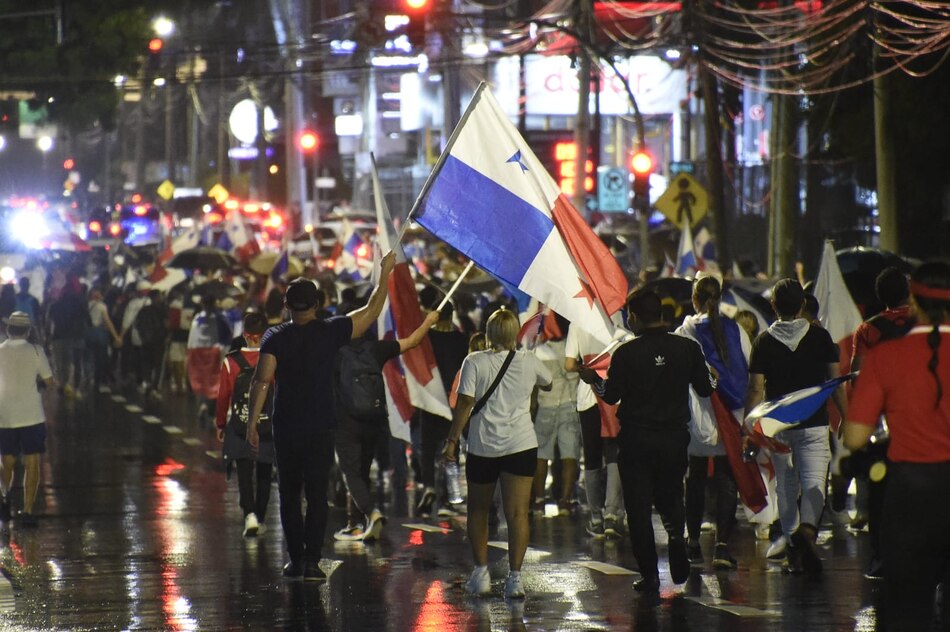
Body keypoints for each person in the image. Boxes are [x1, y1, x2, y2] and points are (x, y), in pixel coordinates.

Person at [245, 252, 396, 582]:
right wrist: (385, 273)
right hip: (322, 427)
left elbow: (261, 381)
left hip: (287, 427)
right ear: (317, 304)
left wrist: (252, 424)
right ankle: (313, 562)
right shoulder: (332, 331)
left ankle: (295, 559)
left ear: (287, 305)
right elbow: (372, 310)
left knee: (289, 495)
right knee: (316, 495)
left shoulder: (274, 337)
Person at [581, 291, 715, 592]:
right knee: (672, 495)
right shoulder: (687, 348)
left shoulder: (626, 353)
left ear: (634, 318)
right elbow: (706, 388)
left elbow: (611, 396)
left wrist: (594, 380)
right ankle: (677, 538)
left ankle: (650, 574)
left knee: (639, 508)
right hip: (674, 438)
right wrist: (716, 378)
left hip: (636, 440)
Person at [843, 260, 950, 630]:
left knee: (908, 608)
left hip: (909, 496)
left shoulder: (885, 356)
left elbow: (855, 436)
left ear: (914, 302)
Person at [442, 307, 552, 599]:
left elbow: (465, 403)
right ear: (514, 333)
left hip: (483, 446)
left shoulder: (474, 361)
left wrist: (452, 440)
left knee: (478, 510)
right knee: (517, 513)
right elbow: (549, 382)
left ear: (489, 333)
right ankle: (515, 579)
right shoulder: (528, 361)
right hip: (521, 445)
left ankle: (481, 574)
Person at [745, 278, 847, 574]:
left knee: (787, 487)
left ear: (773, 305)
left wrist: (748, 428)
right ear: (802, 305)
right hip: (814, 424)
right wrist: (847, 417)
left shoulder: (763, 341)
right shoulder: (820, 337)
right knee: (815, 481)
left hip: (778, 427)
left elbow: (755, 389)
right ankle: (808, 531)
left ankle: (792, 544)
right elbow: (835, 383)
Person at [333, 310, 440, 542]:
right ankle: (358, 523)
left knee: (351, 472)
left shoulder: (333, 352)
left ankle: (371, 513)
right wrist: (429, 321)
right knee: (362, 471)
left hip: (345, 423)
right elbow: (412, 341)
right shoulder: (375, 349)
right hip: (374, 419)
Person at [675, 276, 750, 569]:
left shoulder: (684, 332)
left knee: (695, 476)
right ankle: (721, 547)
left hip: (697, 415)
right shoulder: (736, 329)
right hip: (731, 413)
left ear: (694, 299)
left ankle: (693, 543)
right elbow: (749, 369)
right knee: (727, 478)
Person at [846, 266, 915, 580]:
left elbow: (858, 379)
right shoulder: (927, 323)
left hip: (884, 427)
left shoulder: (868, 329)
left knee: (881, 492)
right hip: (925, 421)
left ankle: (881, 557)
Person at [215, 312, 275, 538]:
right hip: (267, 423)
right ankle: (260, 516)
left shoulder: (231, 361)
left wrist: (221, 424)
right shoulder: (274, 359)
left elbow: (223, 396)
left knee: (244, 469)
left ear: (246, 335)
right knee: (265, 471)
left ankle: (249, 514)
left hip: (240, 424)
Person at [0, 312, 55, 527]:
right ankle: (28, 511)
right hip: (31, 415)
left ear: (8, 329)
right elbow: (49, 381)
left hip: (4, 415)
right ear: (28, 331)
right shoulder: (36, 351)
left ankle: (4, 496)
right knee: (32, 462)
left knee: (7, 460)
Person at [416, 302, 469, 518]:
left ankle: (428, 486)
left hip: (430, 398)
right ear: (452, 315)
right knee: (450, 447)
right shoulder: (461, 340)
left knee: (427, 447)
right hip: (453, 399)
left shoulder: (427, 338)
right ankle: (446, 498)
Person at [532, 314, 581, 516]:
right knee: (570, 455)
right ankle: (565, 501)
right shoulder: (574, 349)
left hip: (546, 405)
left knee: (541, 455)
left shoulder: (539, 350)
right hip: (570, 404)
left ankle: (539, 501)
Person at [187, 294, 232, 422]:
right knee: (215, 381)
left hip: (197, 352)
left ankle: (203, 404)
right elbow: (227, 336)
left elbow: (192, 337)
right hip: (214, 352)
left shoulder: (198, 318)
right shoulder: (220, 317)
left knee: (202, 380)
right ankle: (210, 409)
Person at [47, 275, 89, 398]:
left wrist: (47, 336)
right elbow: (87, 319)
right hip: (77, 336)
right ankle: (75, 387)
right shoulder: (81, 302)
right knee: (76, 362)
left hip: (59, 335)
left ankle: (62, 384)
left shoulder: (56, 304)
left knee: (61, 362)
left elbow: (50, 321)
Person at [86, 287, 122, 393]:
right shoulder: (102, 306)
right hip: (99, 334)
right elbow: (107, 322)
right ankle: (98, 382)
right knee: (100, 359)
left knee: (88, 357)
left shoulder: (86, 305)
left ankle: (88, 378)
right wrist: (116, 336)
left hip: (88, 333)